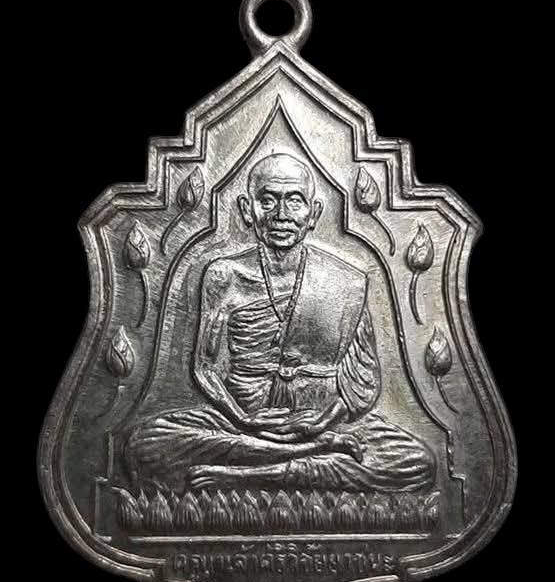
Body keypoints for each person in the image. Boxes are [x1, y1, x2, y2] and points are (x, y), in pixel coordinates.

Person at [125, 153, 436, 494]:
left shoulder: (347, 282)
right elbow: (205, 368)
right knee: (147, 444)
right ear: (247, 210)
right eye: (268, 200)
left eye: (295, 201)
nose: (281, 215)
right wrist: (243, 418)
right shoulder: (224, 275)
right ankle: (305, 457)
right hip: (239, 422)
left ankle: (263, 471)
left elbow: (363, 380)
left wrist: (326, 419)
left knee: (416, 461)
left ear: (313, 213)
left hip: (323, 424)